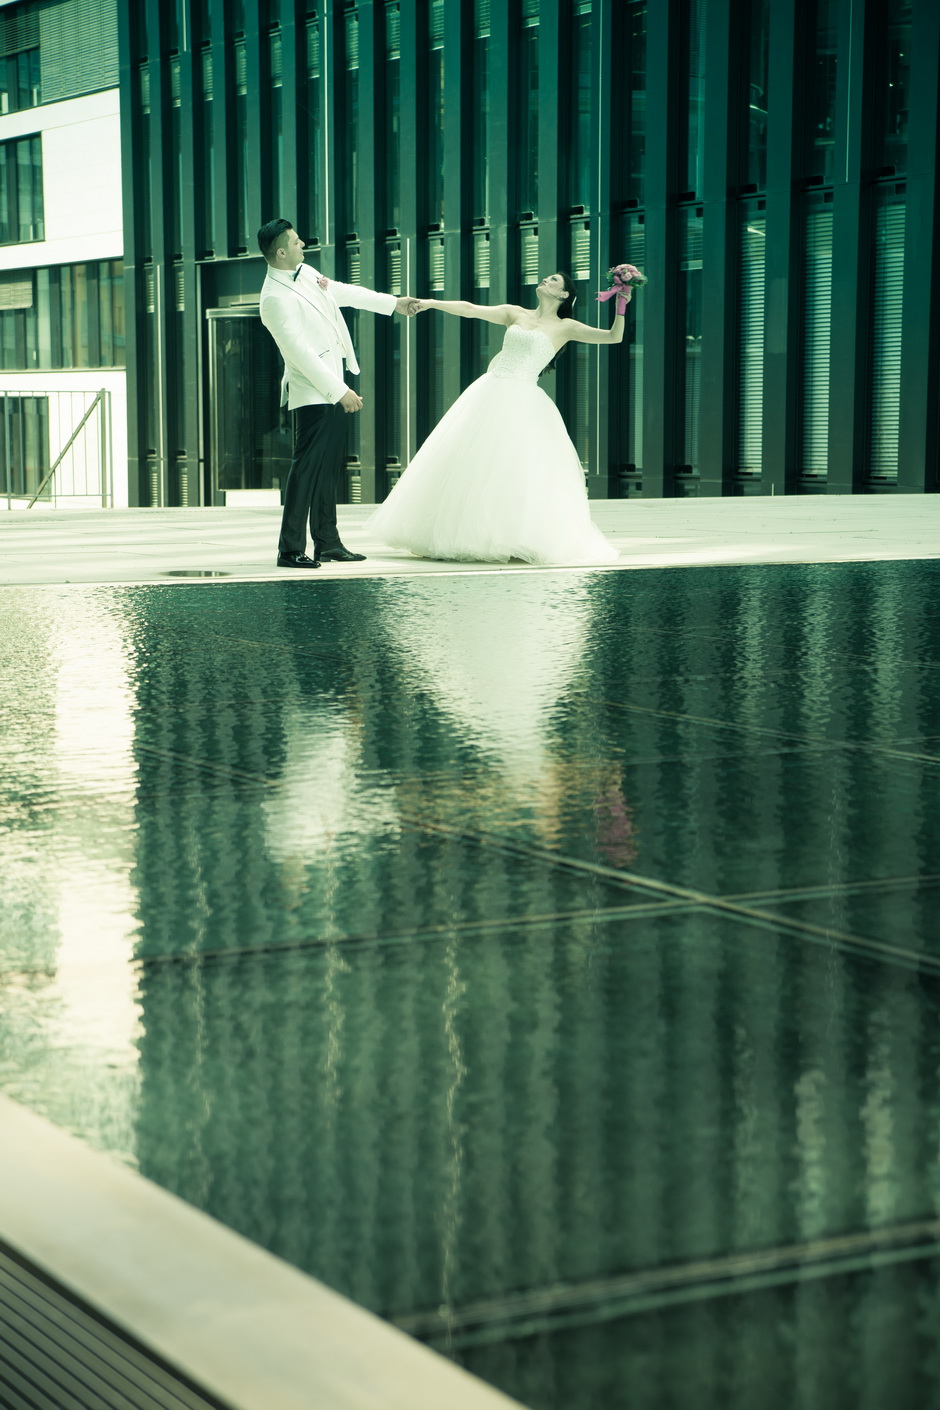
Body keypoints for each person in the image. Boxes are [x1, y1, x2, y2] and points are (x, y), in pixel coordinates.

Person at [367, 272, 627, 565]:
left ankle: (515, 537)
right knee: (471, 463)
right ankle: (455, 534)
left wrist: (621, 304)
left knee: (515, 469)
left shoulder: (566, 327)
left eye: (554, 280)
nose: (545, 279)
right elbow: (469, 309)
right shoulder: (514, 313)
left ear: (564, 295)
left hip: (524, 402)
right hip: (490, 391)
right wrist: (429, 303)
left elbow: (613, 337)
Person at [257, 218, 418, 569]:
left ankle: (327, 542)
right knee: (306, 469)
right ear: (281, 251)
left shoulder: (305, 271)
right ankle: (289, 549)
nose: (304, 245)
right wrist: (339, 390)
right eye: (297, 242)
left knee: (327, 469)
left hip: (332, 384)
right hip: (316, 391)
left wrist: (393, 303)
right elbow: (299, 353)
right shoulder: (274, 298)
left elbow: (342, 292)